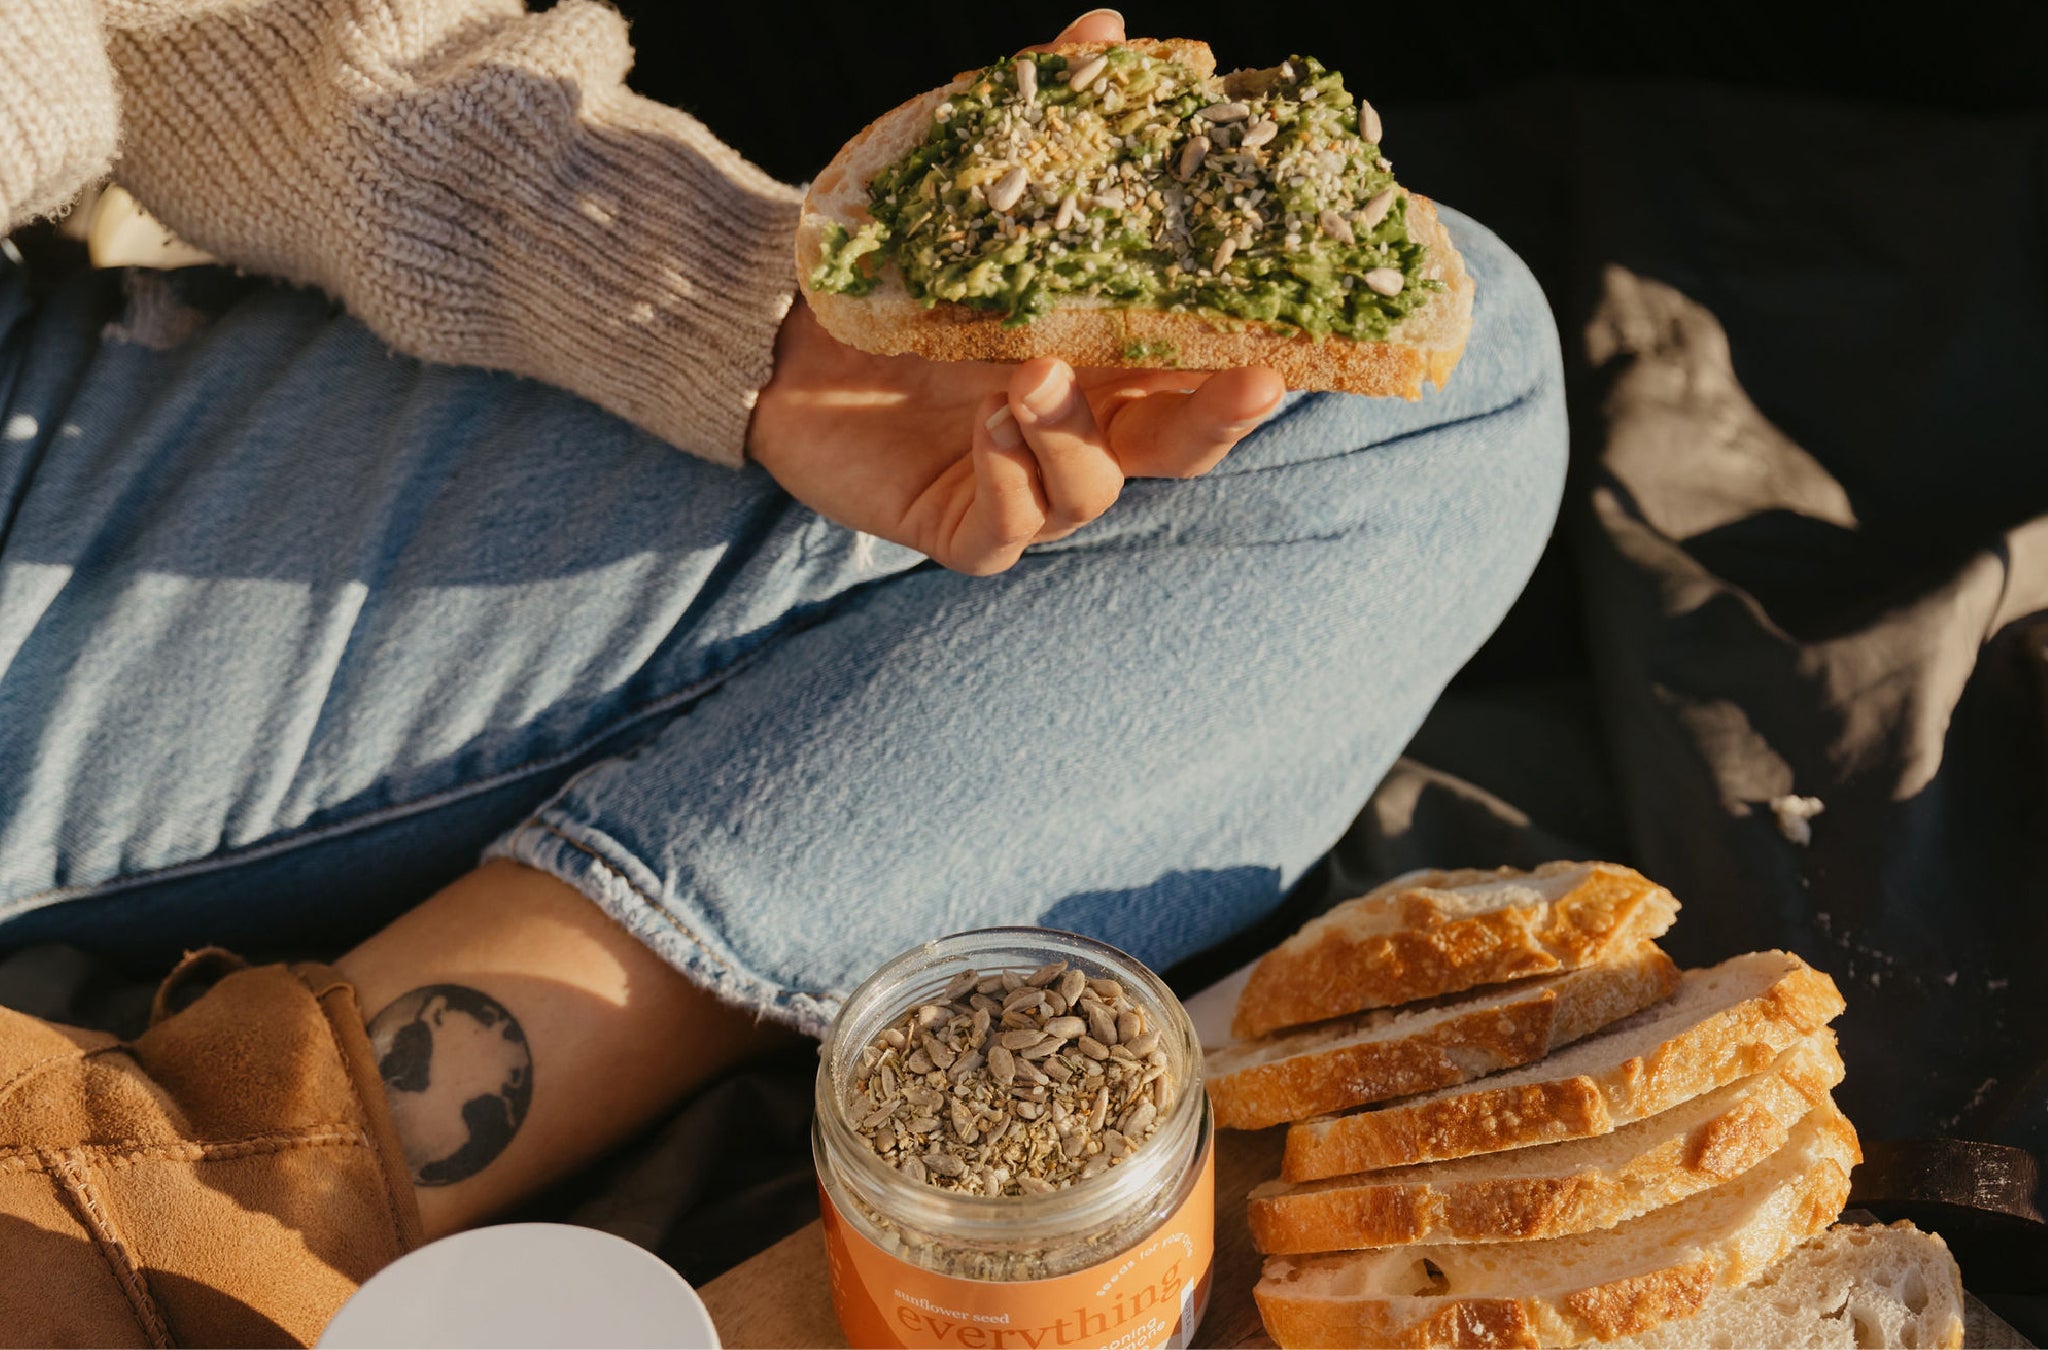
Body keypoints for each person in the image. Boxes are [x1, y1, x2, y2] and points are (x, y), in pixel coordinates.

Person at [0, 1, 1565, 1341]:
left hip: (51, 441)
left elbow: (226, 35)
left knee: (1428, 394)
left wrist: (721, 308)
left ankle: (221, 1164)